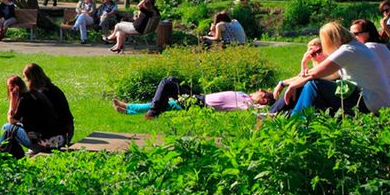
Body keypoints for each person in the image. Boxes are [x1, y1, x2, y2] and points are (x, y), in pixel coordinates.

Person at [273, 21, 390, 116]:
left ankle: (297, 119)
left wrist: (293, 85)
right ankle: (295, 115)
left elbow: (315, 74)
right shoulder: (356, 47)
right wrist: (298, 76)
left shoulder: (348, 50)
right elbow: (328, 75)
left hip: (370, 103)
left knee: (314, 85)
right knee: (313, 84)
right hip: (377, 101)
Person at [114, 78, 273, 117]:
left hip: (201, 104)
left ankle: (150, 113)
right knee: (170, 87)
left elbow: (261, 112)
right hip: (200, 96)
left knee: (167, 84)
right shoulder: (245, 94)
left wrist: (275, 96)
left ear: (263, 100)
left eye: (263, 92)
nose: (260, 89)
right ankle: (128, 109)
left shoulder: (248, 103)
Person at [0, 75, 58, 158]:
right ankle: (10, 154)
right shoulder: (35, 94)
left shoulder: (24, 100)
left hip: (42, 144)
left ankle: (1, 155)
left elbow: (11, 120)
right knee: (13, 131)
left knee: (7, 127)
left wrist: (12, 100)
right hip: (55, 139)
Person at [23, 63, 73, 147]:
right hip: (67, 134)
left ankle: (5, 153)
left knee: (10, 128)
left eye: (25, 77)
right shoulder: (53, 88)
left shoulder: (39, 95)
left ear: (30, 78)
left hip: (55, 138)